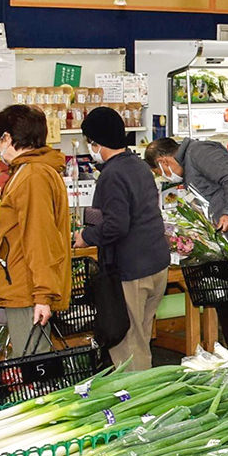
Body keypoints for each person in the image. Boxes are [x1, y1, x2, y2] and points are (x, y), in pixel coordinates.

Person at [144, 136, 228, 351]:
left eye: (159, 172)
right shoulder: (187, 171)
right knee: (225, 298)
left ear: (163, 162)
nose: (163, 176)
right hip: (226, 238)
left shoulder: (199, 151)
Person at [75, 107, 169, 371]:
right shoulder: (137, 165)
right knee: (141, 336)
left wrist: (85, 236)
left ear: (96, 142)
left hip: (131, 270)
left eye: (89, 141)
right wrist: (89, 222)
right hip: (155, 263)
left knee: (129, 344)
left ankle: (136, 402)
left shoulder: (112, 174)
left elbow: (116, 225)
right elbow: (112, 212)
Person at [0, 105, 71, 355]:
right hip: (23, 285)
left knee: (32, 364)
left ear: (8, 138)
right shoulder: (30, 171)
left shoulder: (32, 175)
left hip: (26, 288)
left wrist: (42, 296)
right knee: (30, 361)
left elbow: (39, 238)